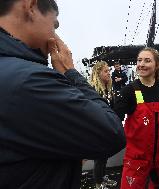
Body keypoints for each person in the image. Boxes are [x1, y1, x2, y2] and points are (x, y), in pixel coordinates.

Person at [0, 1, 125, 188]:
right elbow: (111, 134)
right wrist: (71, 72)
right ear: (31, 6)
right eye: (54, 24)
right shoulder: (29, 81)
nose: (55, 34)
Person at [114, 47, 159, 189]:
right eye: (139, 60)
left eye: (147, 61)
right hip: (137, 158)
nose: (141, 64)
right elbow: (114, 121)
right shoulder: (128, 91)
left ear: (157, 65)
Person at [90, 61, 118, 189]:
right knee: (100, 158)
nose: (109, 73)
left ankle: (101, 178)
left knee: (104, 157)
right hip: (97, 130)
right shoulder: (92, 91)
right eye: (106, 71)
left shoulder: (108, 89)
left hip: (106, 128)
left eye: (109, 71)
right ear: (98, 73)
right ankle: (98, 184)